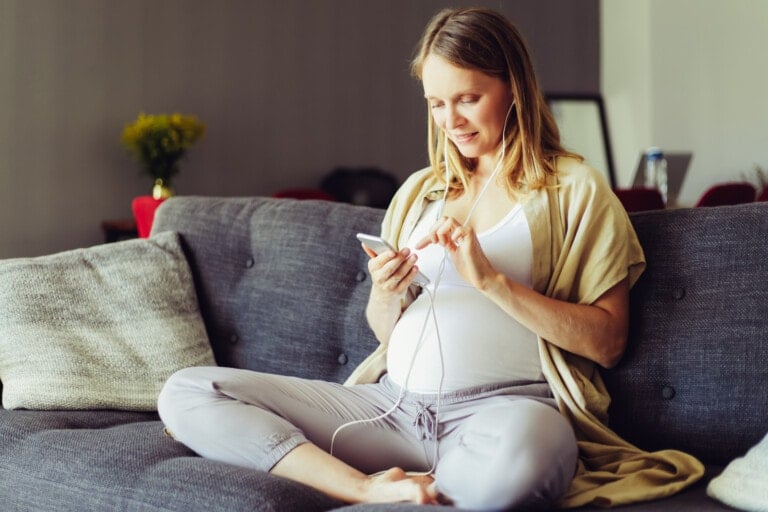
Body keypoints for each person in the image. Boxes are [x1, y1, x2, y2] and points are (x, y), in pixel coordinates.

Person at [158, 7, 703, 510]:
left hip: (504, 414)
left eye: (468, 98)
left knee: (525, 461)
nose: (451, 120)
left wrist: (492, 281)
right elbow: (384, 335)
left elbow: (607, 344)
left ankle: (435, 490)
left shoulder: (575, 190)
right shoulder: (421, 192)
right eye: (436, 103)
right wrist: (386, 292)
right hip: (390, 409)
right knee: (187, 391)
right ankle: (369, 489)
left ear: (513, 88)